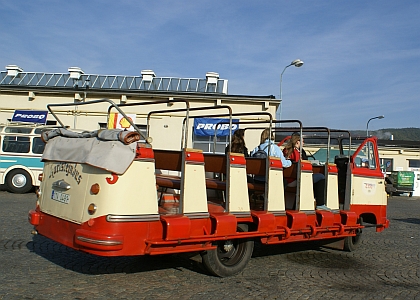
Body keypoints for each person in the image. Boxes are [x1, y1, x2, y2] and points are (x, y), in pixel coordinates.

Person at [283, 132, 331, 211]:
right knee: (321, 177)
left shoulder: (286, 150)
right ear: (297, 142)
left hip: (286, 179)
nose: (304, 143)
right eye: (302, 141)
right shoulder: (297, 153)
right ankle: (320, 204)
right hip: (295, 180)